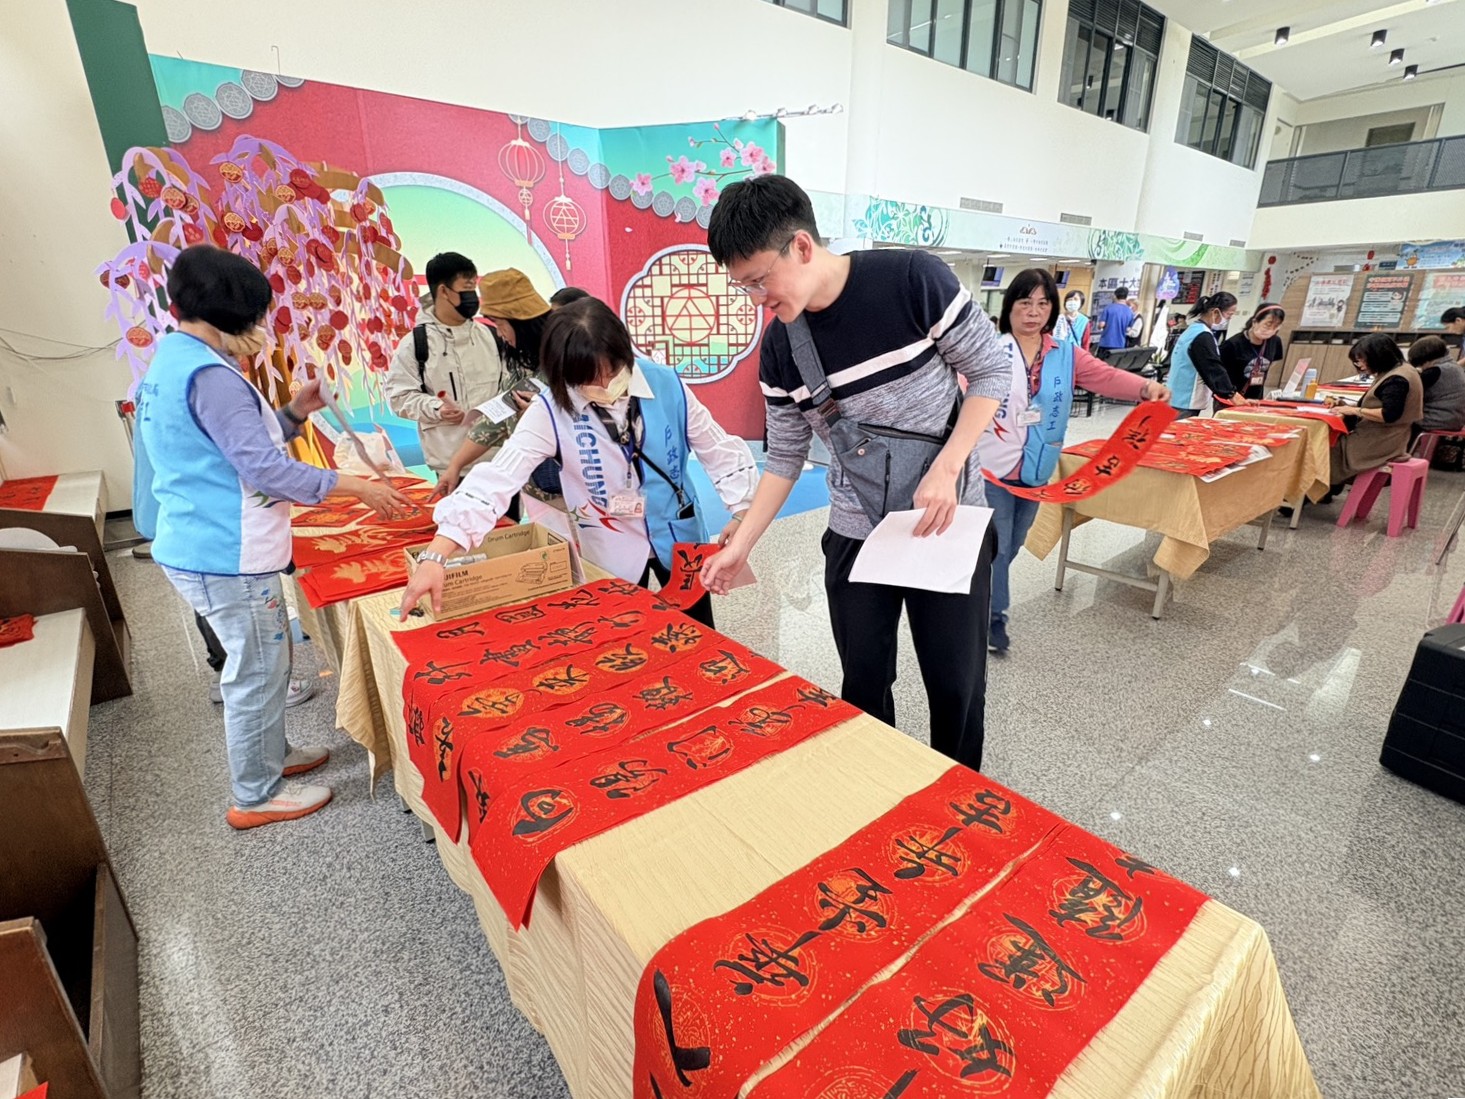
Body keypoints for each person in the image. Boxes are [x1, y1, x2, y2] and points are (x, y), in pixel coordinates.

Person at [700, 175, 1009, 772]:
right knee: (863, 683)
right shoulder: (781, 350)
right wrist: (742, 544)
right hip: (856, 529)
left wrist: (947, 467)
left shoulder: (913, 280)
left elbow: (992, 370)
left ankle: (959, 796)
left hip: (947, 521)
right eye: (744, 287)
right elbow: (785, 457)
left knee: (956, 686)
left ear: (801, 246)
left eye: (760, 280)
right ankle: (874, 791)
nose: (757, 299)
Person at [133, 245, 409, 830]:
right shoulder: (212, 376)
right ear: (229, 313)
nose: (260, 328)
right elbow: (263, 469)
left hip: (204, 538)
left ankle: (272, 757)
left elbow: (229, 447)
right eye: (256, 316)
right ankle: (254, 795)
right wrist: (356, 487)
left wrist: (293, 414)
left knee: (265, 660)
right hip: (224, 550)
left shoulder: (175, 361)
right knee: (257, 670)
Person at [399, 298, 757, 627]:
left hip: (679, 535)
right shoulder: (550, 410)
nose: (604, 384)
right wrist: (438, 554)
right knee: (625, 636)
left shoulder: (667, 385)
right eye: (589, 378)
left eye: (612, 371)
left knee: (696, 631)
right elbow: (498, 478)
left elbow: (717, 448)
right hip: (610, 542)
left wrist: (742, 511)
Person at [981, 269, 1172, 654]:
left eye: (1042, 304)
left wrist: (1144, 387)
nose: (1033, 312)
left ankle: (980, 595)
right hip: (991, 468)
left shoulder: (1065, 354)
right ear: (1010, 307)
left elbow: (1104, 377)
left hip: (1037, 469)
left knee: (1014, 543)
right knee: (998, 547)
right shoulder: (990, 352)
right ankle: (991, 619)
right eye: (1025, 303)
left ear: (1052, 310)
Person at [435, 270, 564, 497]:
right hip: (536, 489)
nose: (500, 333)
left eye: (500, 324)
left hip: (573, 492)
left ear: (521, 322)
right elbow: (496, 419)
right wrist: (455, 466)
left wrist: (541, 416)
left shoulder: (566, 359)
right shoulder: (523, 361)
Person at [385, 252, 513, 475]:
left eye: (474, 289)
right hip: (449, 469)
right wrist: (436, 409)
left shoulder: (493, 337)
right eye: (466, 290)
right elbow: (399, 398)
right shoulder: (415, 344)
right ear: (444, 291)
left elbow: (510, 389)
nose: (473, 298)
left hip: (501, 464)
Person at [1324, 334, 1423, 493]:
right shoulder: (1401, 370)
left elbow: (1389, 414)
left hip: (1379, 441)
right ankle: (1328, 490)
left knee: (1322, 447)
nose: (1361, 366)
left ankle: (1320, 490)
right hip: (1387, 436)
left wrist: (1354, 410)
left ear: (1379, 356)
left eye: (1362, 361)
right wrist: (1344, 406)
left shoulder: (1397, 379)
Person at [1167, 292, 1243, 418]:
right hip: (1186, 399)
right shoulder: (1203, 336)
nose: (1228, 320)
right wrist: (1231, 394)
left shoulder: (1193, 330)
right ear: (1215, 312)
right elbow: (1212, 368)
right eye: (1229, 315)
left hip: (1177, 394)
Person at [1220, 303, 1286, 400]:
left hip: (1256, 398)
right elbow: (1220, 376)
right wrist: (1232, 396)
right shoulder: (1232, 344)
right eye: (1267, 325)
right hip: (1231, 398)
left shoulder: (1275, 341)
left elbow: (1273, 361)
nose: (1270, 330)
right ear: (1254, 322)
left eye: (1275, 327)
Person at [1406, 335, 1465, 435]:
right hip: (1454, 420)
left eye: (1421, 365)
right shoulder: (1454, 367)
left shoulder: (1435, 371)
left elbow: (1410, 390)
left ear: (1427, 360)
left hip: (1434, 420)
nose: (1422, 368)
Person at [1094, 287, 1135, 359]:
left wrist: (1099, 326)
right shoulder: (1130, 312)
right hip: (1120, 345)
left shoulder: (1108, 308)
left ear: (1115, 296)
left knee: (1101, 364)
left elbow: (1101, 325)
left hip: (1106, 343)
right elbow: (1129, 328)